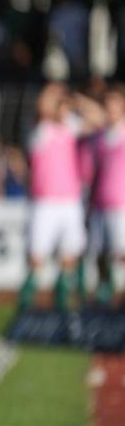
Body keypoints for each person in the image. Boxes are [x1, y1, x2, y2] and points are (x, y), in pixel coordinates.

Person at [17, 83, 104, 311]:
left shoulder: (69, 128)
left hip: (70, 201)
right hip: (45, 202)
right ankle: (26, 305)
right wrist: (53, 94)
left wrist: (77, 101)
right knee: (37, 255)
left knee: (70, 254)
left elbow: (98, 119)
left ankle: (62, 302)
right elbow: (43, 108)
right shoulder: (40, 131)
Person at [87, 85, 125, 304]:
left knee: (121, 253)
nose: (110, 111)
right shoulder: (100, 138)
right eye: (107, 107)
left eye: (114, 107)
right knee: (100, 253)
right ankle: (105, 293)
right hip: (101, 202)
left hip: (121, 204)